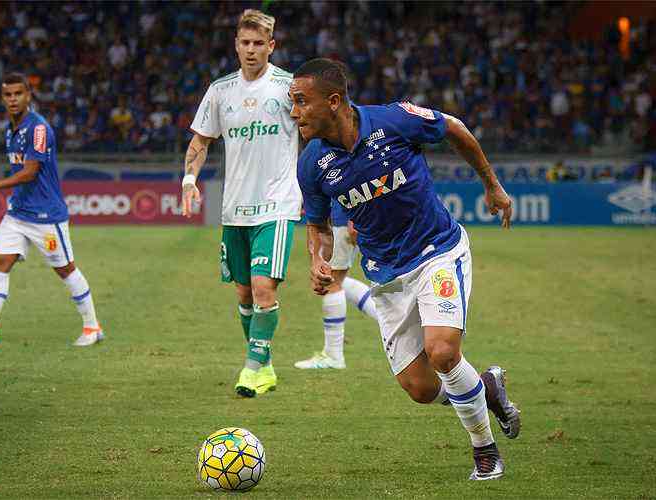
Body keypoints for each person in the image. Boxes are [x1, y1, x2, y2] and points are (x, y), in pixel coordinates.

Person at [291, 58, 520, 480]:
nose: (294, 112)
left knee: (444, 352)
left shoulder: (394, 121)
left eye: (302, 101)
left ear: (334, 101)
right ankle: (484, 387)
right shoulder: (311, 164)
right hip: (386, 275)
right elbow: (318, 225)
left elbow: (453, 128)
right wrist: (317, 258)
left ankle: (485, 453)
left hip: (437, 252)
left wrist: (491, 183)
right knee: (420, 388)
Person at [181, 10, 301, 397]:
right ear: (236, 45)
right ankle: (264, 365)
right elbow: (201, 140)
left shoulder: (288, 87)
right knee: (244, 293)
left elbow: (316, 132)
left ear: (271, 46)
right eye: (244, 43)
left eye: (258, 44)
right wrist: (189, 179)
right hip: (235, 208)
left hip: (278, 204)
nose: (251, 50)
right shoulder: (220, 91)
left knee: (264, 287)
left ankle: (252, 367)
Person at [0, 73, 104, 347]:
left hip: (46, 216)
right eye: (7, 95)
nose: (12, 99)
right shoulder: (10, 129)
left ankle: (92, 327)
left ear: (28, 96)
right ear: (2, 98)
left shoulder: (38, 129)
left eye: (17, 94)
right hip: (18, 213)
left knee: (65, 269)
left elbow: (30, 172)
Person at [294, 200, 377, 370]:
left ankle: (333, 356)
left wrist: (354, 216)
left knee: (330, 282)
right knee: (333, 280)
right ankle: (392, 321)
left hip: (342, 218)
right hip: (332, 216)